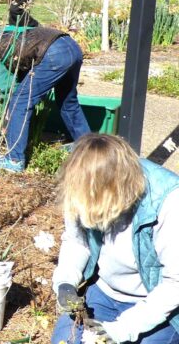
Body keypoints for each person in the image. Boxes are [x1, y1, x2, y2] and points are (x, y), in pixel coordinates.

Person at [50, 133, 179, 344]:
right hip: (104, 292)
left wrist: (124, 328)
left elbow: (176, 283)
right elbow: (76, 240)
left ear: (113, 191)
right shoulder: (82, 186)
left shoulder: (169, 202)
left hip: (163, 305)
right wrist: (65, 281)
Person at [0, 13, 90, 172]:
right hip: (71, 46)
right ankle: (88, 147)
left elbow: (9, 89)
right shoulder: (3, 36)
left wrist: (7, 121)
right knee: (68, 102)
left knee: (19, 102)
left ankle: (14, 159)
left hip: (52, 54)